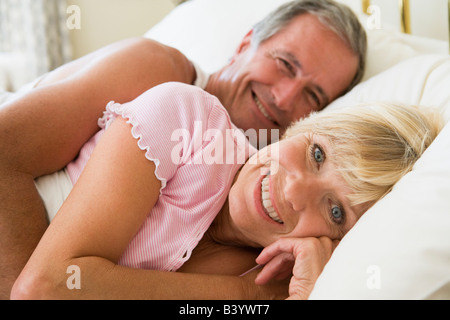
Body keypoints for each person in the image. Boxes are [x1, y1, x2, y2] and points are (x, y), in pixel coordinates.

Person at [0, 0, 367, 298]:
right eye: (285, 64)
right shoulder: (162, 75)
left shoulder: (263, 228)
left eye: (313, 96)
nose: (285, 98)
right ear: (245, 44)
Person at [10, 82, 443, 300]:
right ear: (304, 127)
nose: (294, 192)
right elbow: (43, 288)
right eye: (316, 154)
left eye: (335, 212)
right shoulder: (189, 123)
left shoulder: (282, 281)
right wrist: (244, 294)